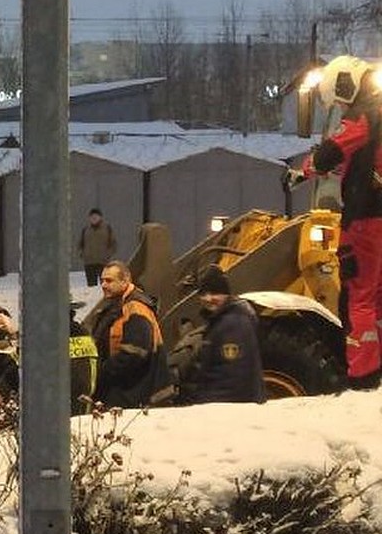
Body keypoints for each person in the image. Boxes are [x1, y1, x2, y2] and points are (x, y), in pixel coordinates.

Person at [284, 55, 382, 390]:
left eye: (341, 101)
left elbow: (338, 146)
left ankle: (363, 377)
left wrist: (306, 170)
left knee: (357, 297)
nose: (341, 108)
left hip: (367, 217)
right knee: (377, 295)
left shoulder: (366, 112)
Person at [90, 260, 174, 408]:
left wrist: (102, 372)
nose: (103, 285)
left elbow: (135, 352)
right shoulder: (117, 305)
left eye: (109, 281)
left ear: (125, 281)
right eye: (102, 281)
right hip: (127, 388)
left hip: (133, 392)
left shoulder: (135, 307)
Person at [178, 265, 265, 404]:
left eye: (214, 293)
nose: (208, 298)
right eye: (203, 293)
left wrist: (202, 404)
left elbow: (231, 378)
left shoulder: (233, 324)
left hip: (228, 410)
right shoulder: (221, 320)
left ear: (226, 293)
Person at [78, 208, 117, 287]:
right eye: (92, 217)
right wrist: (82, 254)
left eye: (96, 216)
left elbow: (113, 243)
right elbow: (80, 243)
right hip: (89, 262)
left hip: (102, 262)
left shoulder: (107, 228)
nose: (94, 218)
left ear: (100, 217)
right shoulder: (86, 229)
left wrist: (108, 255)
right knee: (91, 286)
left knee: (105, 285)